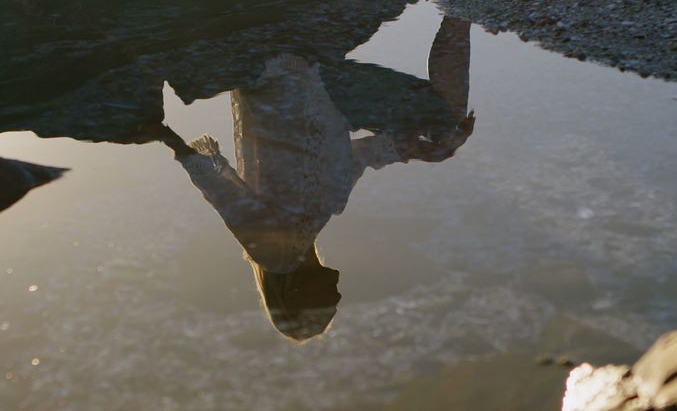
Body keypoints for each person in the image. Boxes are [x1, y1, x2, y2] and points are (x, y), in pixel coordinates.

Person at [154, 17, 474, 340]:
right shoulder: (311, 221)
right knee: (444, 122)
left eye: (324, 311)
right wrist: (419, 149)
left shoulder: (275, 253)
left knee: (445, 117)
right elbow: (358, 157)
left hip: (291, 86)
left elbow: (221, 193)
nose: (336, 300)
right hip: (328, 93)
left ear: (295, 299)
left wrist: (163, 135)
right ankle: (460, 2)